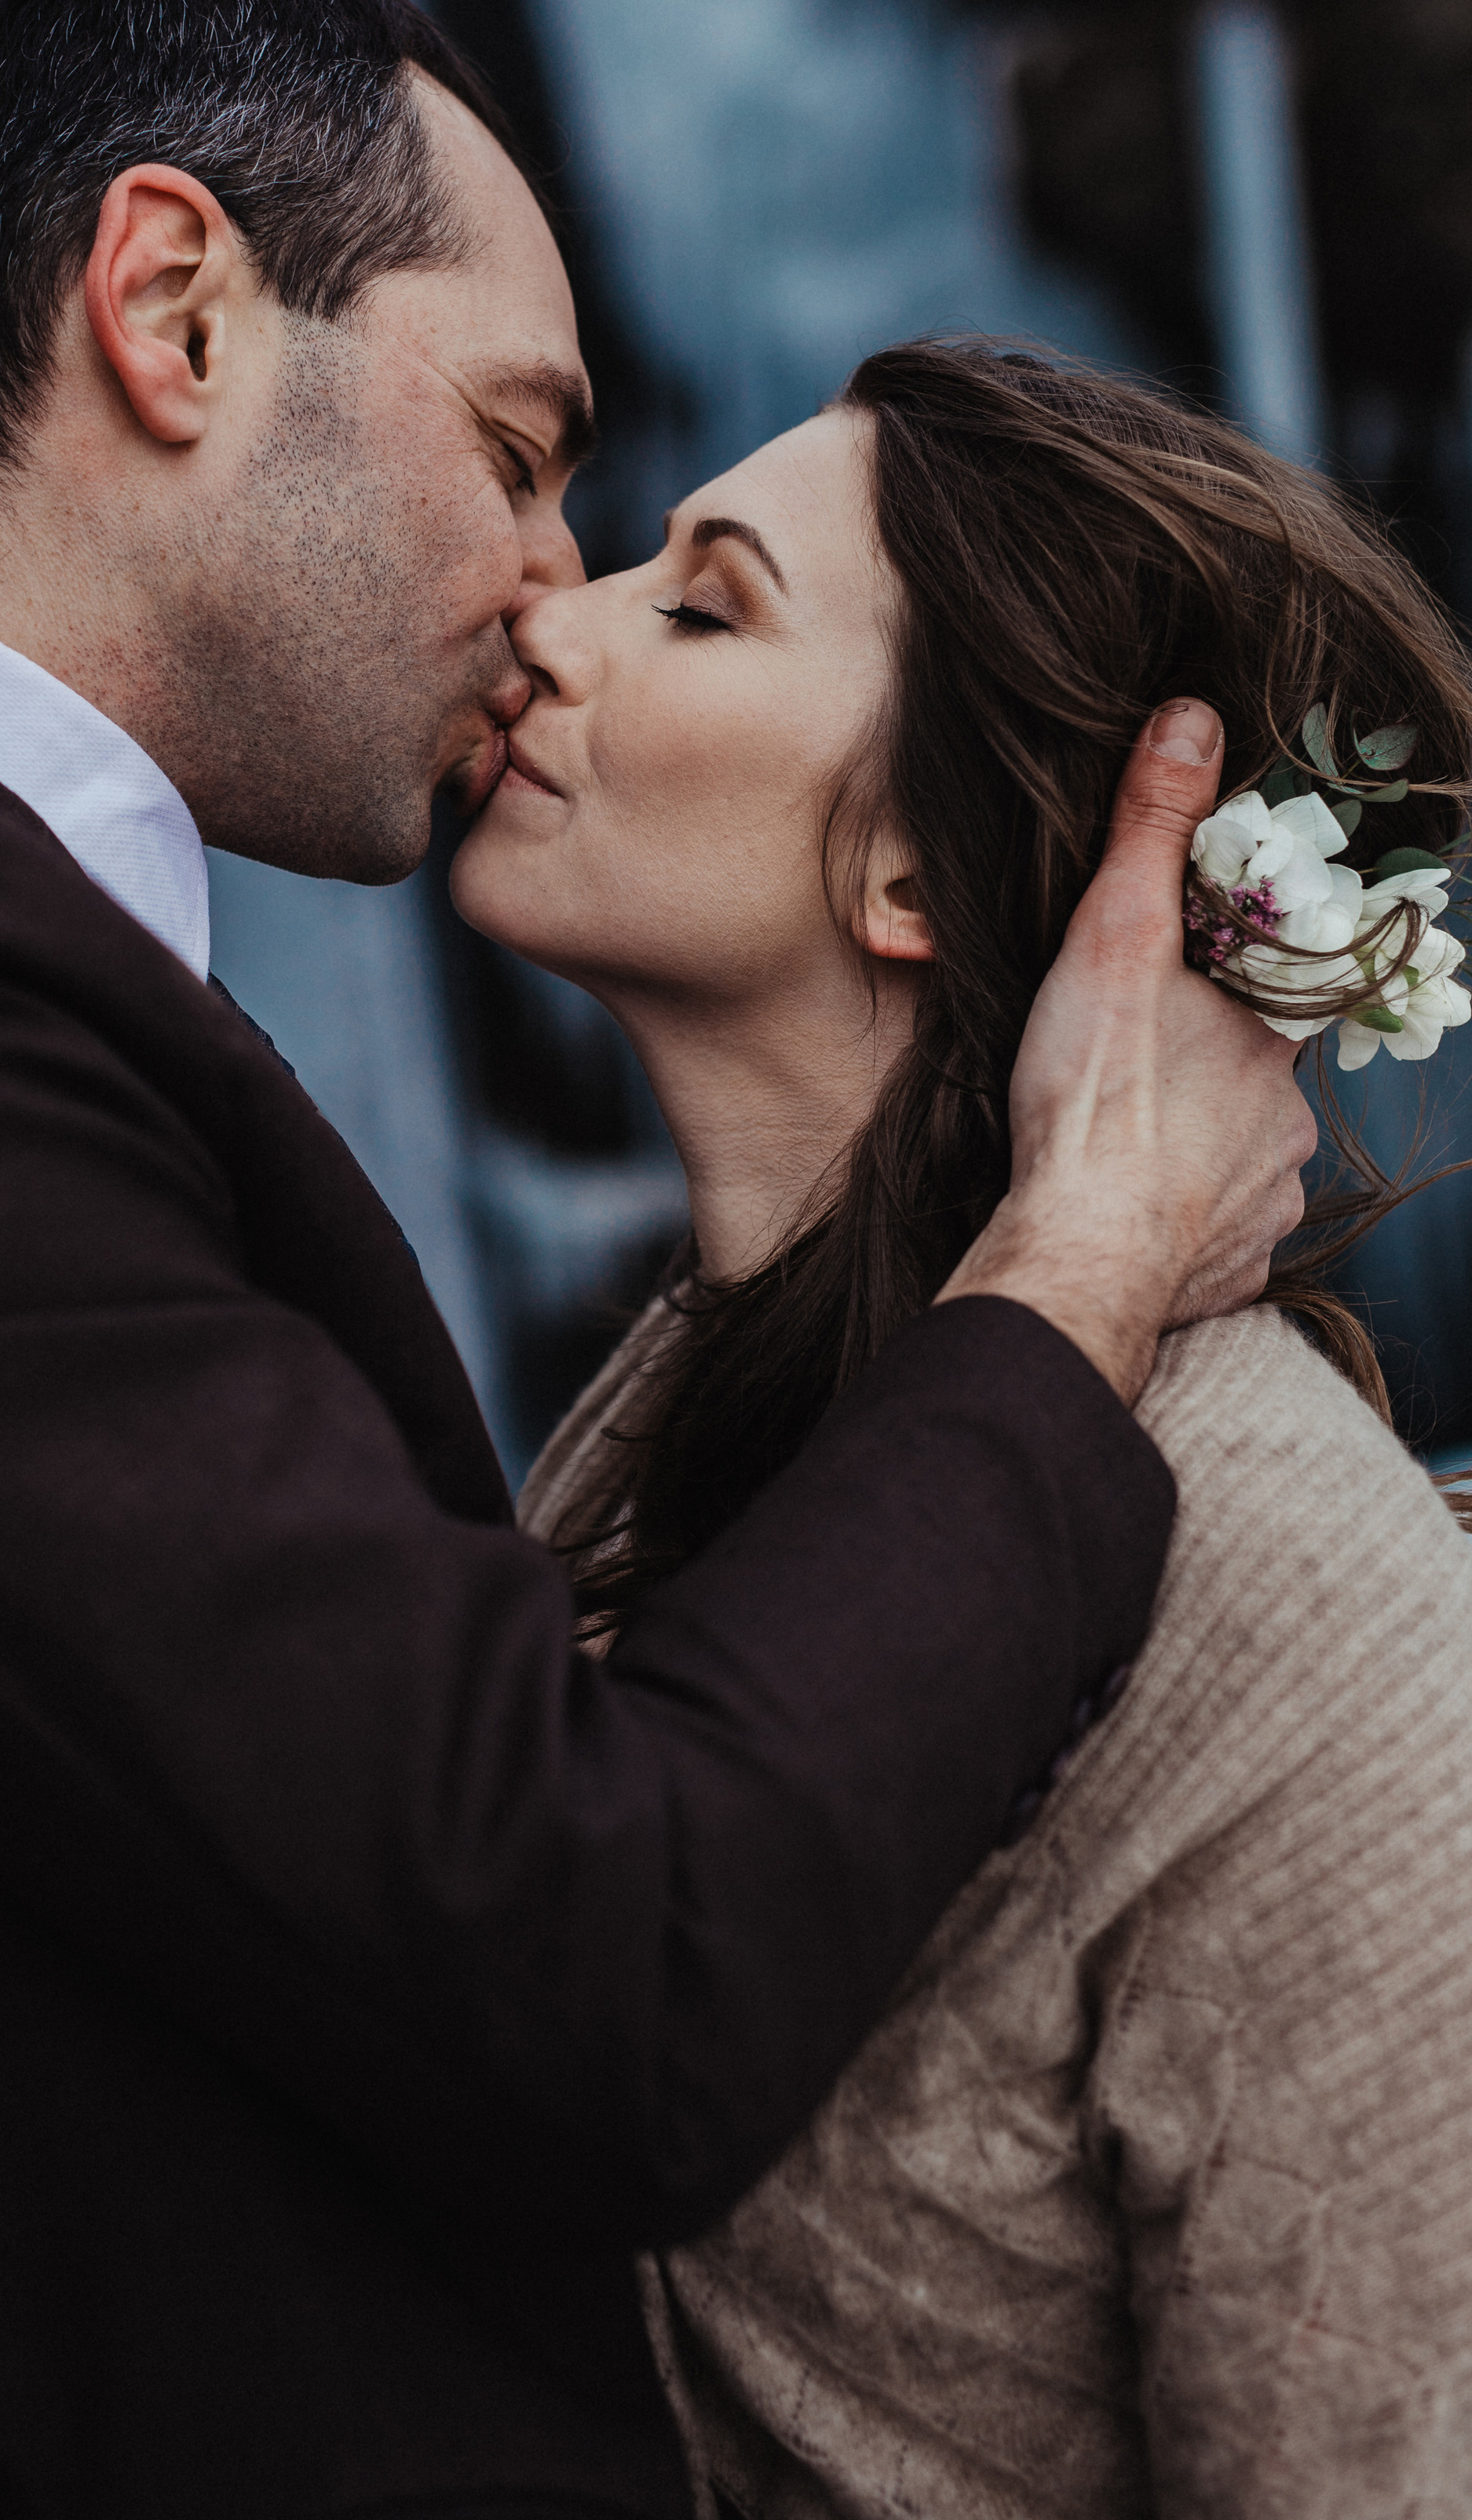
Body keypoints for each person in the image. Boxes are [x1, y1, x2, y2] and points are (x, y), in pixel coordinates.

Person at [0, 0, 1311, 2520]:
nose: (552, 589)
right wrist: (1089, 1254)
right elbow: (588, 1954)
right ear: (178, 311)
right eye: (523, 442)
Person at [462, 340, 1472, 2519]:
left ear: (919, 875)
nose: (542, 615)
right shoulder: (671, 1428)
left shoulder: (1311, 1626)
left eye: (699, 602)